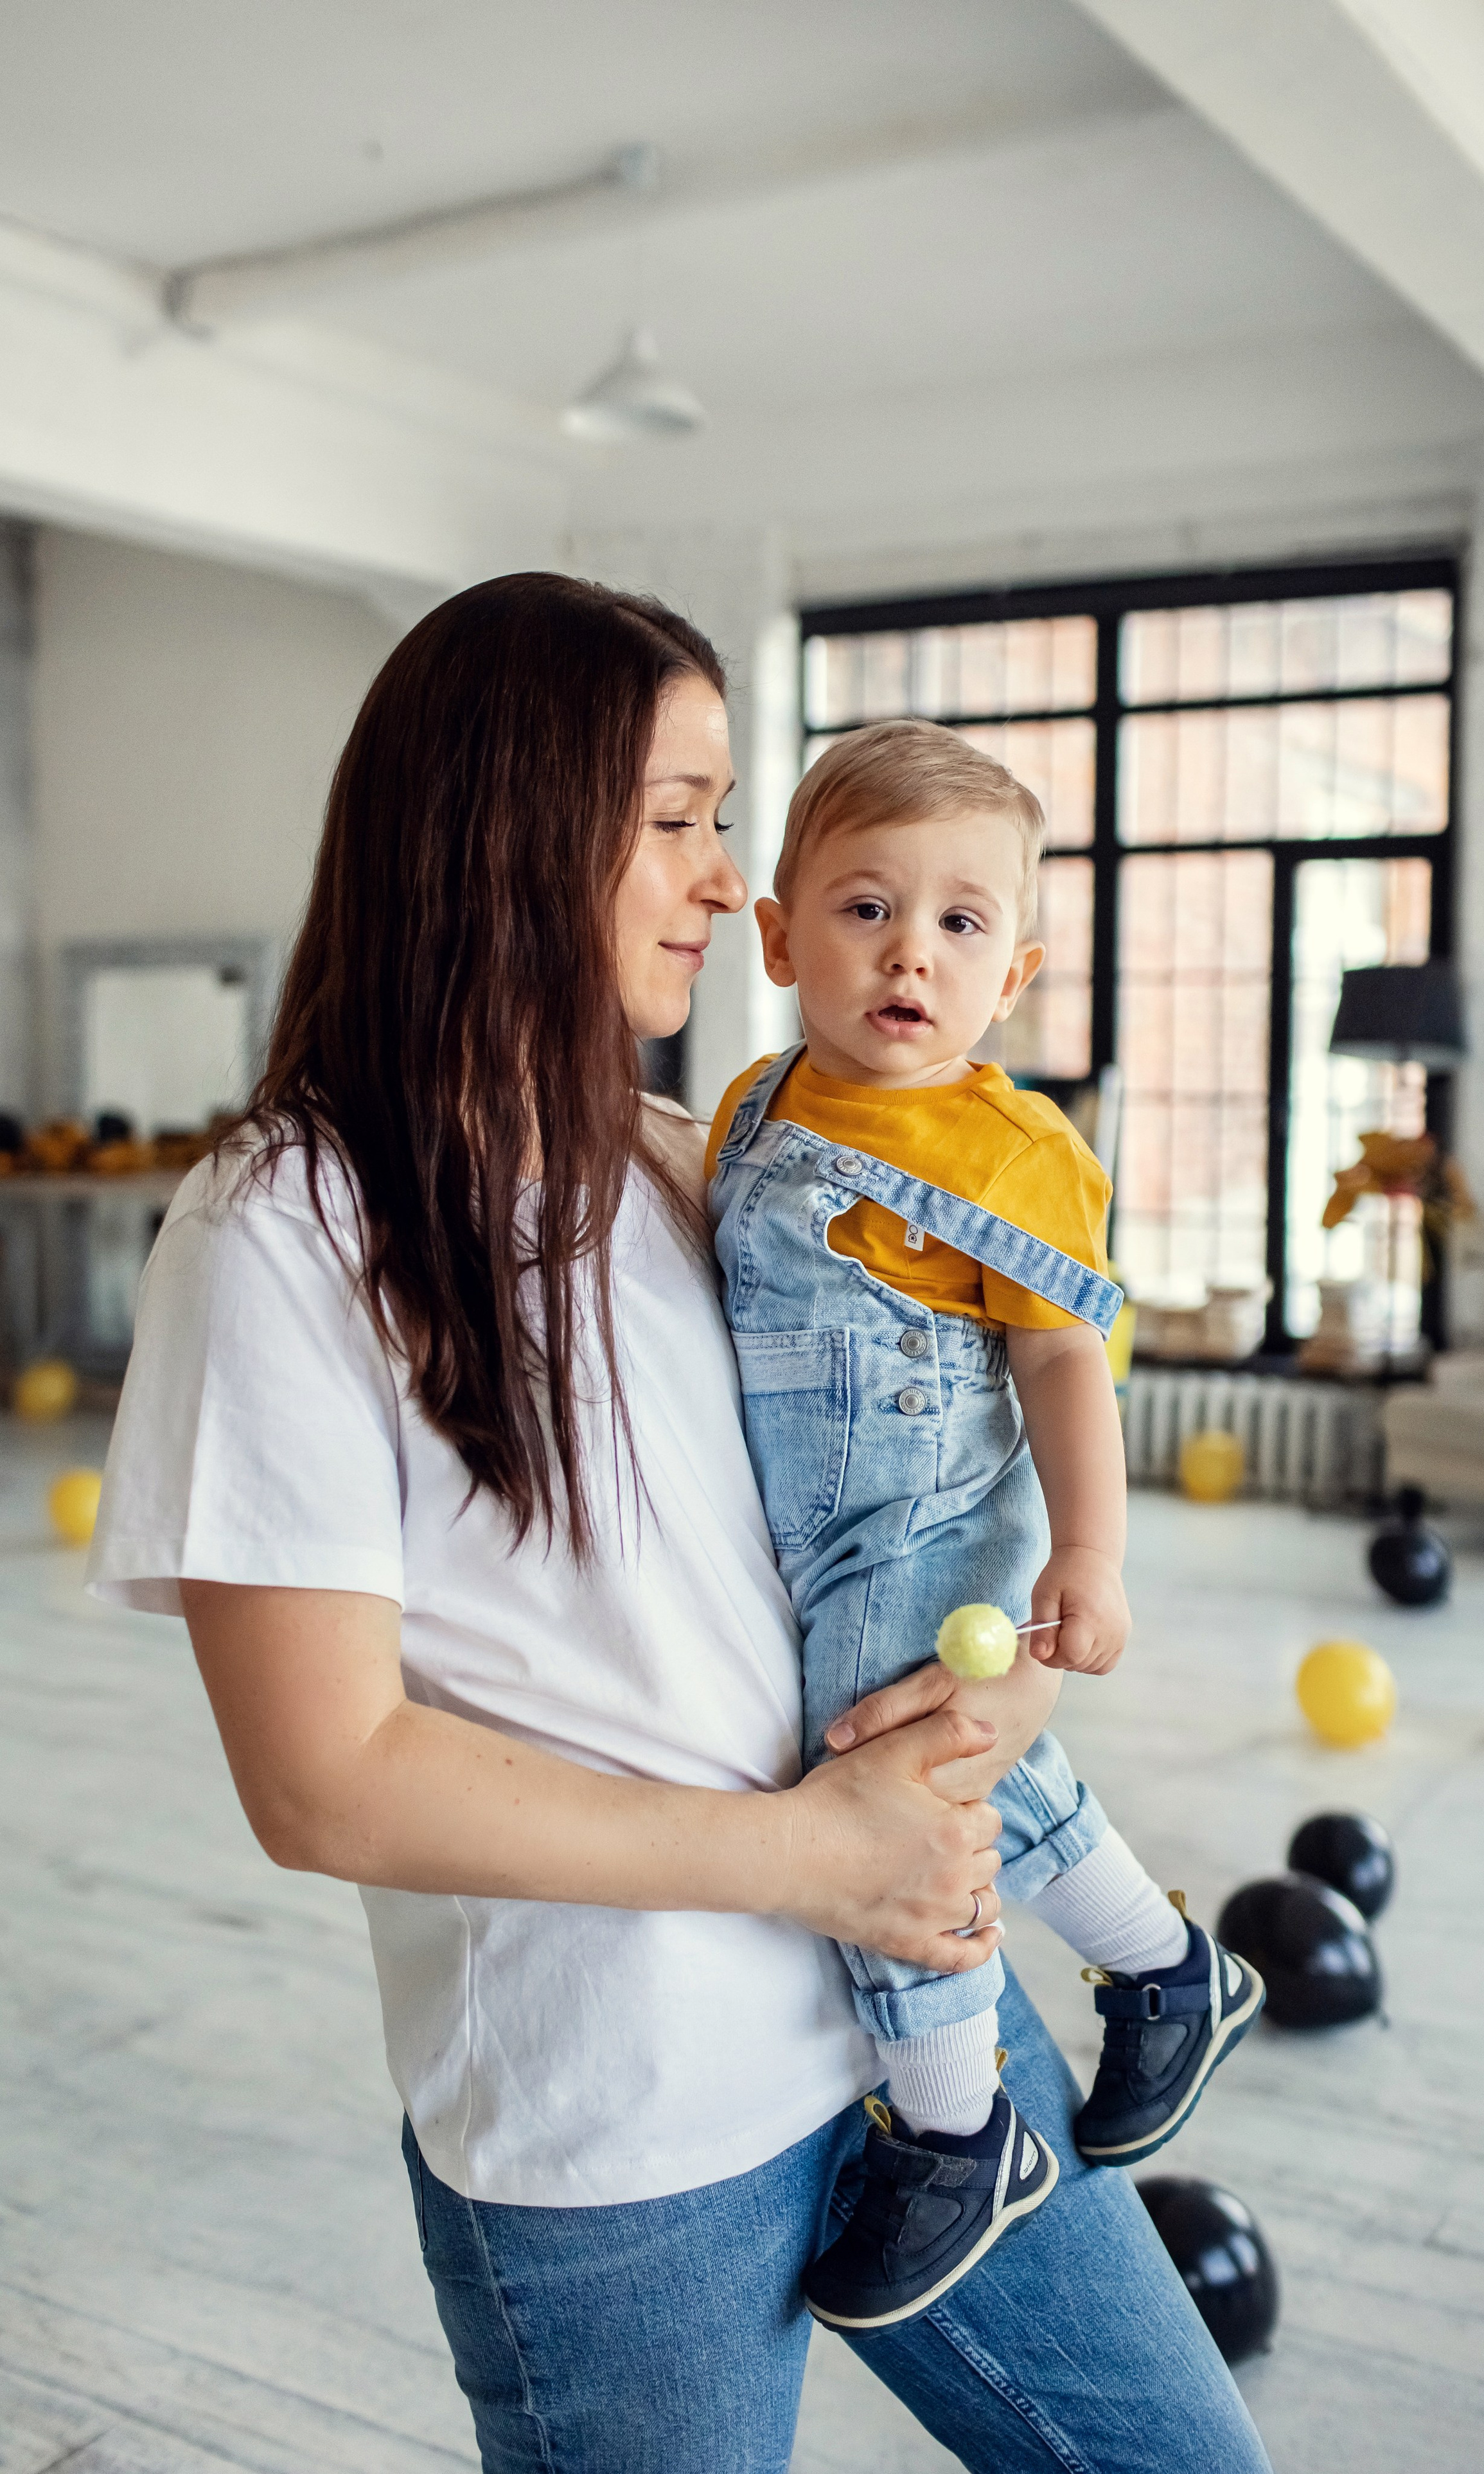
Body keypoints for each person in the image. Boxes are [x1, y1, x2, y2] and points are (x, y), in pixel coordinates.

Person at [88, 574, 1271, 2474]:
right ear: (505, 821)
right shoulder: (281, 1228)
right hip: (620, 2143)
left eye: (724, 825)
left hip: (923, 2033)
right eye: (681, 818)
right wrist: (808, 1856)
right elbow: (325, 1779)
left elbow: (904, 1521)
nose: (730, 885)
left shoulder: (698, 1160)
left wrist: (1001, 1706)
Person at [707, 721, 1264, 2329]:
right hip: (808, 1534)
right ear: (778, 935)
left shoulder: (1013, 1152)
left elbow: (1059, 1363)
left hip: (929, 1526)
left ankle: (954, 2131)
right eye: (865, 907)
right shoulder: (754, 1105)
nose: (907, 954)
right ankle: (1169, 1973)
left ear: (1010, 975)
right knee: (984, 1770)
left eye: (959, 924)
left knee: (897, 1784)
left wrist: (1085, 1554)